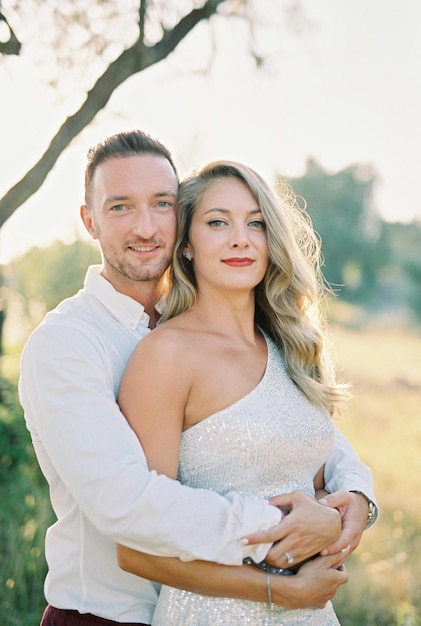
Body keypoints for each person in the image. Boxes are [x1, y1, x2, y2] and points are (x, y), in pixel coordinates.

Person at [18, 130, 377, 626]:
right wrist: (289, 525)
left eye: (161, 204)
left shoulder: (205, 325)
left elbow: (287, 426)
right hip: (107, 615)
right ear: (89, 220)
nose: (145, 227)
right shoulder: (67, 345)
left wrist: (355, 496)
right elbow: (128, 505)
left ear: (178, 219)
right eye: (120, 207)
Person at [116, 159, 372, 624]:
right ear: (187, 245)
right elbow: (137, 549)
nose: (241, 238)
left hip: (312, 613)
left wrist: (351, 505)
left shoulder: (292, 347)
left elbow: (312, 481)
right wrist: (278, 592)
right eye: (218, 222)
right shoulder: (165, 356)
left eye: (256, 223)